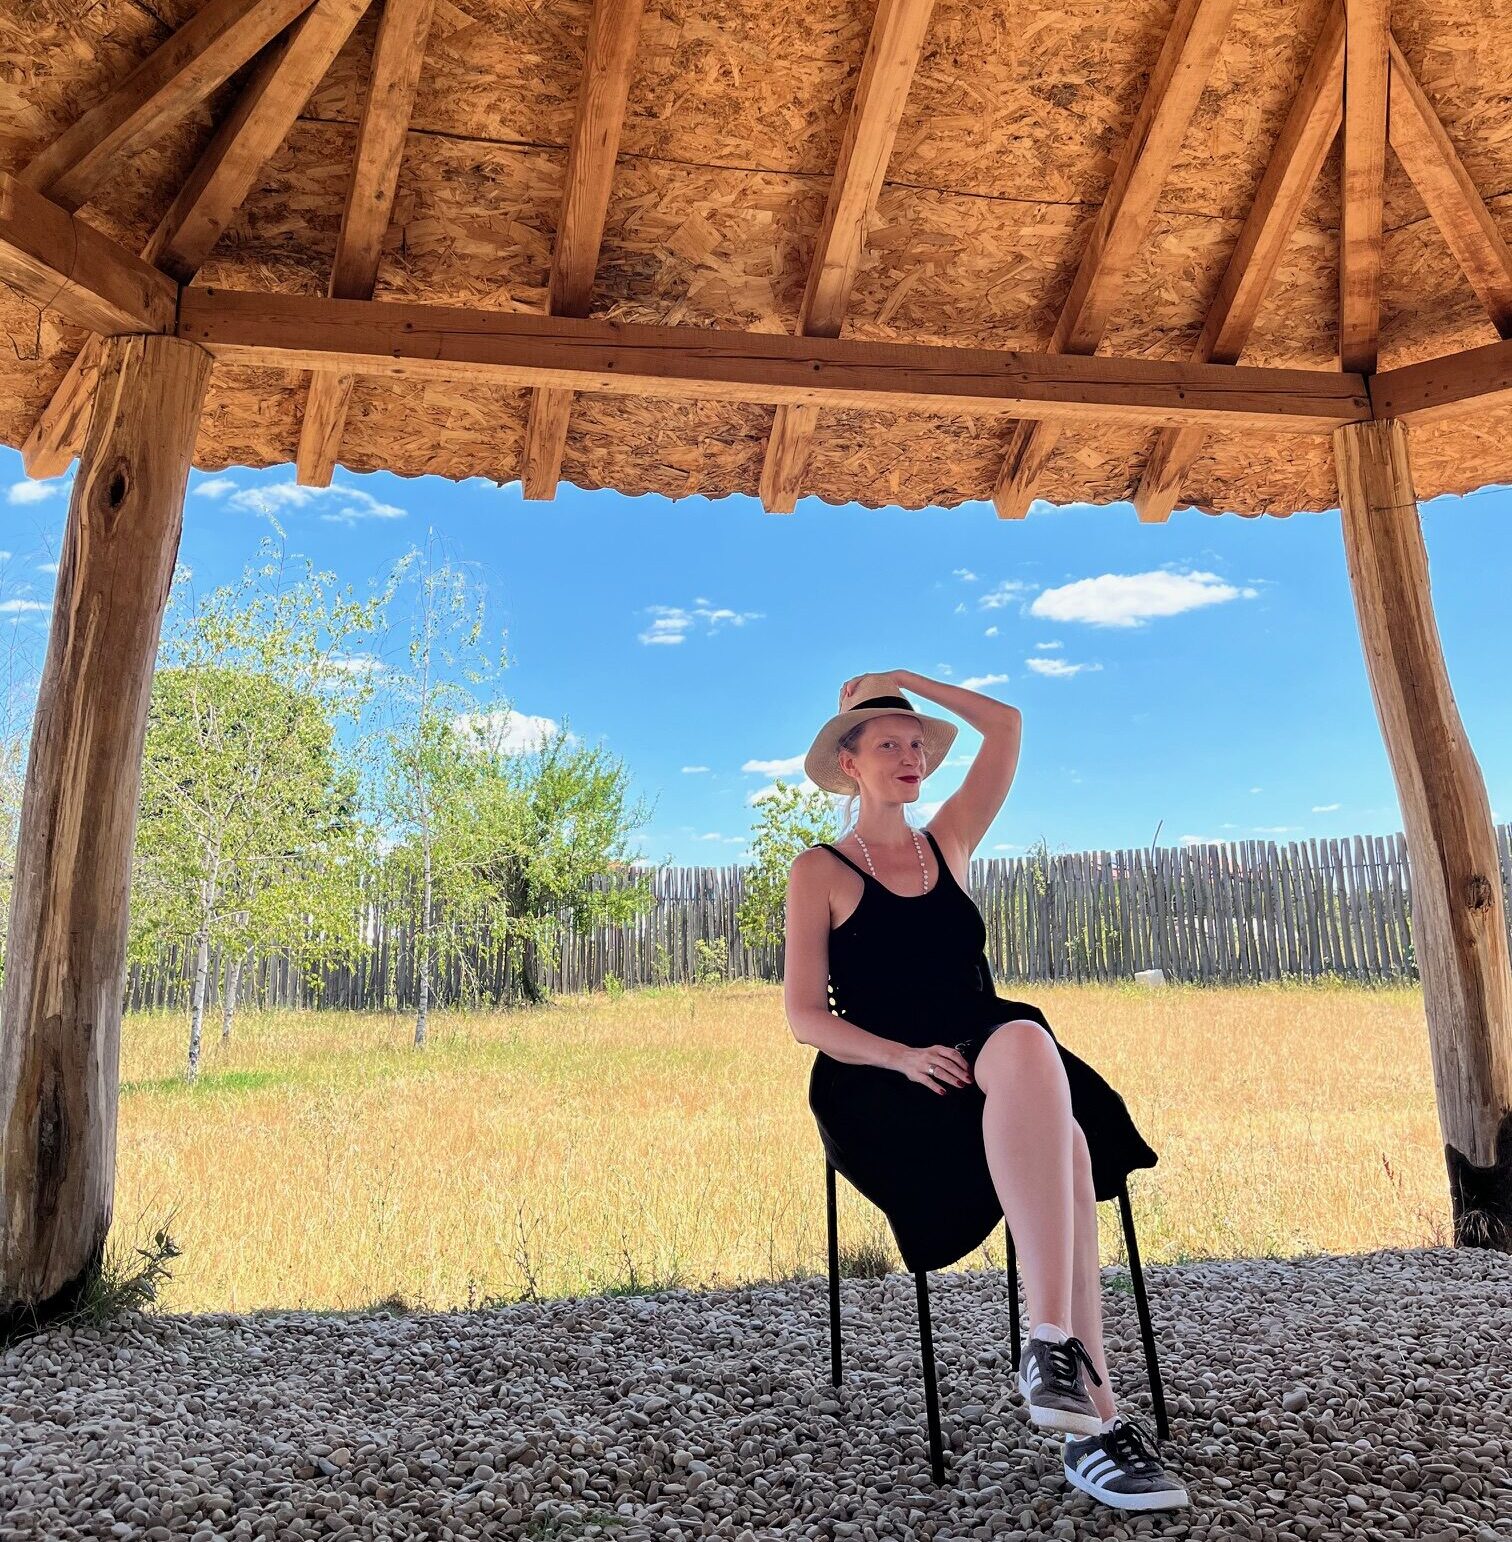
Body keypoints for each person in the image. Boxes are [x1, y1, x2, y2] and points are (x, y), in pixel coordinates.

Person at [782, 670, 1189, 1513]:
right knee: (1064, 1136)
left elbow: (1004, 726)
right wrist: (898, 1056)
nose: (910, 754)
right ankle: (1096, 1420)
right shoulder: (816, 871)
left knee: (1030, 1046)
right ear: (849, 764)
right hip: (883, 1077)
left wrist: (906, 684)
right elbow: (805, 1018)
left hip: (989, 1051)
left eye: (916, 742)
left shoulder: (949, 842)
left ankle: (1051, 1349)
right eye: (888, 742)